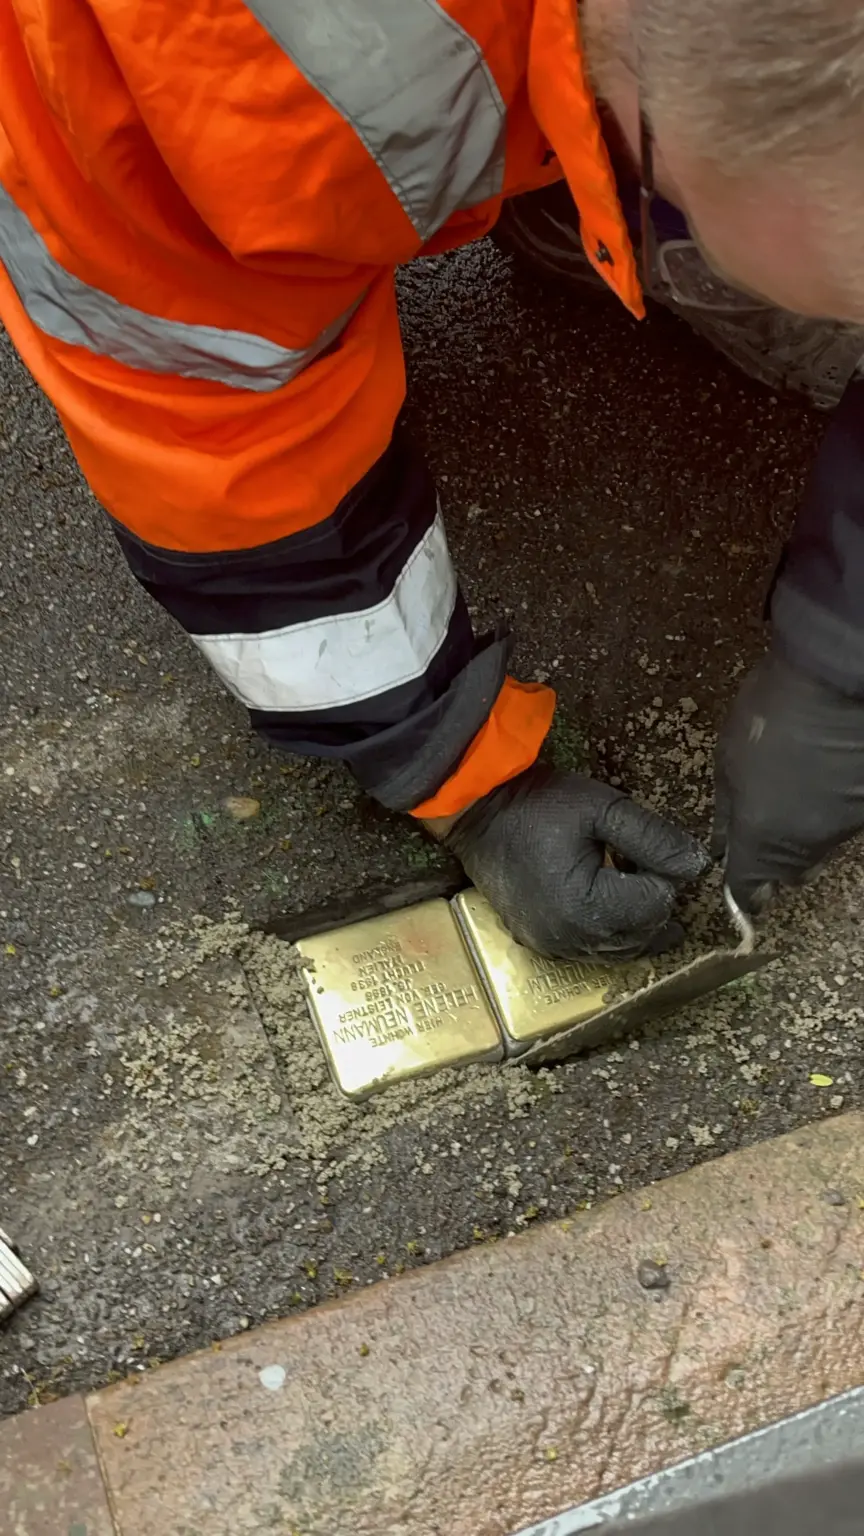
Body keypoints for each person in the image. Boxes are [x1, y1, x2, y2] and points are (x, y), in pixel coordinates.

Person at [2, 0, 863, 962]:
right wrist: (459, 772)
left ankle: (601, 183)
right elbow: (211, 434)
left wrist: (847, 652)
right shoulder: (225, 84)